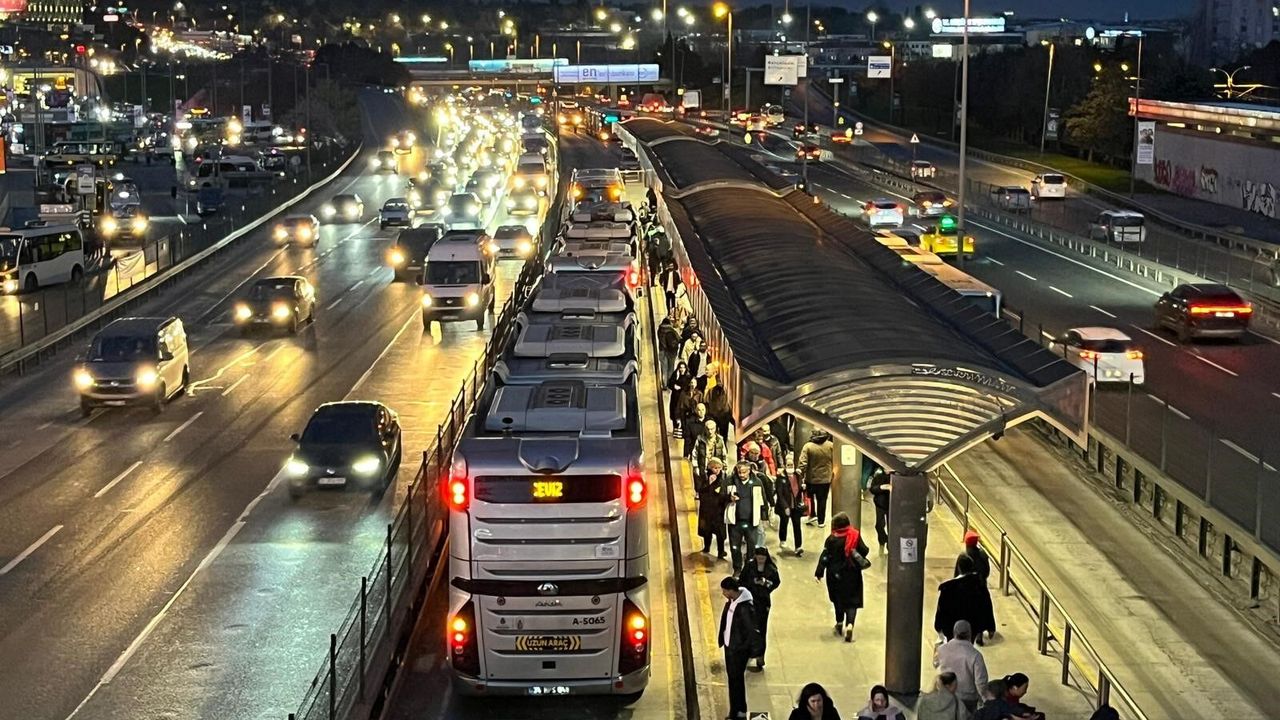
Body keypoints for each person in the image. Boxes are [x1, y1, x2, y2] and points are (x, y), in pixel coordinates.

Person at [814, 512, 869, 643]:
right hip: (852, 574)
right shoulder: (855, 535)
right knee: (852, 601)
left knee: (838, 599)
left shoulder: (831, 539)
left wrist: (819, 573)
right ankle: (850, 625)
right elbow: (865, 550)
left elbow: (825, 557)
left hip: (835, 575)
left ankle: (839, 622)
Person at [718, 576, 758, 720]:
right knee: (733, 680)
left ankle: (739, 711)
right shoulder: (732, 601)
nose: (723, 593)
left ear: (731, 590)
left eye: (724, 591)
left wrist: (744, 648)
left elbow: (751, 631)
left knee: (737, 681)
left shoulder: (745, 608)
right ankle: (734, 710)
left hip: (738, 650)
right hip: (730, 647)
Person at [934, 555, 996, 645]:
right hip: (972, 625)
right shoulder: (979, 585)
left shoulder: (948, 588)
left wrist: (938, 627)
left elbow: (941, 610)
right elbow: (987, 605)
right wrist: (991, 626)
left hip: (951, 626)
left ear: (959, 568)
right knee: (969, 645)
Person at [737, 546, 780, 670]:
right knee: (747, 627)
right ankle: (749, 652)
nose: (760, 560)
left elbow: (776, 582)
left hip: (762, 603)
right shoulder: (749, 567)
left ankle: (760, 656)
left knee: (761, 629)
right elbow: (742, 581)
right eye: (759, 558)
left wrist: (766, 583)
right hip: (750, 601)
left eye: (763, 558)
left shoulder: (771, 569)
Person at [933, 620, 990, 714]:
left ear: (954, 632)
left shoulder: (941, 649)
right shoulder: (975, 655)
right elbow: (980, 681)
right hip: (967, 698)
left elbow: (935, 664)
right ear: (970, 634)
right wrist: (984, 697)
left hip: (946, 694)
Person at [723, 460, 767, 573]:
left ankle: (749, 569)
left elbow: (763, 500)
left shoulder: (757, 482)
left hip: (751, 521)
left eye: (744, 472)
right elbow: (720, 498)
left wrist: (764, 517)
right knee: (735, 547)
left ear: (749, 471)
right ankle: (737, 569)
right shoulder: (729, 481)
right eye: (739, 472)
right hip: (735, 523)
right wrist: (729, 498)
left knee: (752, 547)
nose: (741, 475)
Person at [798, 429, 835, 526]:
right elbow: (835, 460)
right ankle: (821, 521)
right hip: (825, 479)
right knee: (822, 500)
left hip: (811, 478)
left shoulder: (808, 446)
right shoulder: (831, 446)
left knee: (810, 498)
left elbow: (803, 463)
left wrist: (800, 474)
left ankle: (812, 515)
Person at [774, 451, 805, 556]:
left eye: (791, 465)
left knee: (797, 525)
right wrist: (785, 507)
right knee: (784, 522)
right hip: (786, 505)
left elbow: (799, 489)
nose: (790, 466)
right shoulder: (781, 477)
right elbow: (780, 494)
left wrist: (803, 488)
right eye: (788, 465)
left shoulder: (798, 475)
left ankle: (798, 546)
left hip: (796, 505)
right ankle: (782, 539)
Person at [697, 457, 729, 558]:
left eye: (719, 468)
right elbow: (700, 491)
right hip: (706, 509)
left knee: (720, 533)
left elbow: (725, 492)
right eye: (714, 468)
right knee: (707, 530)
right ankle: (707, 547)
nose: (717, 470)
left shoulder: (724, 478)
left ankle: (721, 551)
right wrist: (709, 484)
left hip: (719, 510)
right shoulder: (704, 477)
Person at [692, 418, 728, 485]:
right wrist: (695, 467)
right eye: (708, 429)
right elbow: (695, 454)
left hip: (716, 469)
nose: (710, 431)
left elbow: (724, 455)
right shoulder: (700, 440)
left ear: (715, 429)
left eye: (712, 429)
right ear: (705, 429)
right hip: (703, 468)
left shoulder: (720, 440)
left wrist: (725, 468)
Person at [667, 362, 694, 438]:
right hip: (674, 398)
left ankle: (682, 432)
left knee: (681, 414)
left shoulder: (688, 377)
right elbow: (670, 383)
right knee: (674, 414)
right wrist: (674, 385)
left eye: (683, 367)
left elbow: (687, 387)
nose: (682, 369)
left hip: (682, 399)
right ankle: (675, 431)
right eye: (680, 367)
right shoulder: (675, 374)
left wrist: (680, 388)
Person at [868, 467, 890, 553]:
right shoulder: (878, 473)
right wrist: (882, 487)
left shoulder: (896, 475)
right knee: (879, 525)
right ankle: (883, 540)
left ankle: (890, 545)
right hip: (880, 504)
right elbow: (872, 489)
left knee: (891, 527)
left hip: (893, 505)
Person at [658, 314, 681, 382]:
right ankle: (669, 382)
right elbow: (676, 341)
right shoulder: (671, 331)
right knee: (671, 368)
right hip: (671, 352)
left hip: (662, 351)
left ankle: (664, 383)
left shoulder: (660, 330)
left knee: (664, 369)